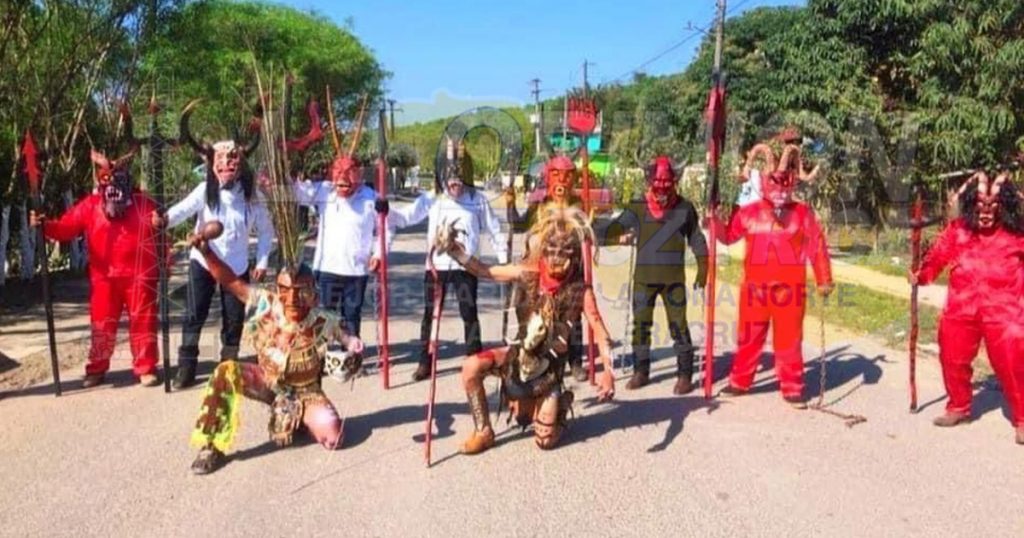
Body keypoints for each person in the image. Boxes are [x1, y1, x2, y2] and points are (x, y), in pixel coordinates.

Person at [433, 206, 615, 454]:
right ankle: (483, 431)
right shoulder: (528, 273)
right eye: (551, 252)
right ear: (543, 251)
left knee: (545, 440)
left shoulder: (581, 291)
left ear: (575, 257)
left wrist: (609, 372)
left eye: (565, 253)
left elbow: (600, 330)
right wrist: (456, 252)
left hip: (548, 373)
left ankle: (558, 404)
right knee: (470, 367)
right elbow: (484, 271)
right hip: (518, 360)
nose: (557, 259)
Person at [186, 222, 365, 474]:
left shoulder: (325, 320)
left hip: (307, 391)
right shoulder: (265, 304)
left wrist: (353, 345)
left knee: (334, 438)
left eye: (300, 292)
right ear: (277, 290)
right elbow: (230, 281)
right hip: (268, 380)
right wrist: (207, 253)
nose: (291, 299)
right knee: (226, 372)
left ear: (313, 294)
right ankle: (210, 445)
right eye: (285, 291)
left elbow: (347, 338)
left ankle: (301, 416)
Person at [30, 147, 161, 387]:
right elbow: (65, 228)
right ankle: (97, 368)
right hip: (103, 278)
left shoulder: (145, 204)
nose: (114, 189)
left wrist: (162, 260)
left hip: (139, 277)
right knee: (102, 324)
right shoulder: (90, 206)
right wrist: (43, 225)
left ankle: (146, 367)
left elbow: (162, 233)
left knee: (143, 321)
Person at [910, 171, 1024, 444]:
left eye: (993, 206)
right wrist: (921, 275)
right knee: (951, 355)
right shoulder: (959, 229)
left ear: (1003, 206)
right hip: (962, 307)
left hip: (1005, 310)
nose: (985, 213)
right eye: (980, 206)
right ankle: (959, 407)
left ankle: (1022, 419)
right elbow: (937, 257)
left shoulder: (1017, 233)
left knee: (1013, 361)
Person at [165, 103, 273, 389]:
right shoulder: (204, 191)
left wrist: (262, 261)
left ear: (241, 165)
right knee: (194, 314)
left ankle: (228, 367)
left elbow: (266, 231)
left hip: (236, 268)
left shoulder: (253, 196)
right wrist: (162, 219)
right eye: (221, 162)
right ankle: (186, 368)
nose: (226, 165)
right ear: (212, 165)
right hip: (203, 262)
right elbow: (181, 210)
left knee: (234, 319)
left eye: (232, 161)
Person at [709, 161, 833, 407]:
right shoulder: (748, 212)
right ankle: (740, 381)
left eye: (785, 182)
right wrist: (714, 219)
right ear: (765, 182)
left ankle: (792, 386)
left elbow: (816, 247)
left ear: (793, 182)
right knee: (749, 338)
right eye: (774, 182)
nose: (780, 189)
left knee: (788, 340)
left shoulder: (802, 214)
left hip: (790, 291)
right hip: (755, 290)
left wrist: (824, 278)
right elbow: (729, 236)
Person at [393, 141, 507, 382]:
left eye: (459, 178)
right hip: (436, 269)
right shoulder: (432, 198)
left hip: (466, 268)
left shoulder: (477, 199)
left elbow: (494, 229)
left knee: (469, 313)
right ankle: (425, 360)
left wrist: (503, 259)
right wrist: (384, 210)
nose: (454, 183)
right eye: (450, 178)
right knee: (429, 315)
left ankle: (474, 360)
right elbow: (406, 217)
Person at [606, 156, 708, 394]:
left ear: (675, 182)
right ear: (649, 181)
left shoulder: (685, 208)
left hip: (674, 280)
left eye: (667, 183)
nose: (662, 189)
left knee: (679, 326)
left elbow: (696, 237)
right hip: (643, 279)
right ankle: (641, 372)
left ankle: (685, 375)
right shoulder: (637, 207)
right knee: (641, 326)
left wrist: (703, 265)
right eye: (657, 183)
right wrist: (588, 226)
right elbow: (615, 228)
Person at [504, 154, 587, 381]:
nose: (562, 182)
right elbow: (518, 225)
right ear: (548, 177)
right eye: (556, 175)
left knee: (573, 318)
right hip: (539, 271)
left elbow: (591, 234)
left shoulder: (580, 208)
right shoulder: (538, 207)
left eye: (567, 176)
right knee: (529, 313)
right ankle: (529, 353)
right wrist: (510, 204)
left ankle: (576, 362)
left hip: (570, 271)